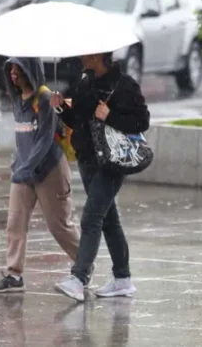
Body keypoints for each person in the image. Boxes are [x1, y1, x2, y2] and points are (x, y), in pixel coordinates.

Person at [50, 53, 150, 302]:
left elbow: (142, 121)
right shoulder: (85, 83)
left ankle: (79, 278)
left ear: (97, 55)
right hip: (88, 160)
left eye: (86, 54)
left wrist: (111, 116)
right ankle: (122, 279)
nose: (81, 57)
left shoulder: (125, 85)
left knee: (92, 218)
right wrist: (60, 106)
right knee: (108, 221)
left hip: (112, 162)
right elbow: (77, 120)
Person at [0, 57, 81, 293]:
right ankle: (13, 274)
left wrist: (26, 168)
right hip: (23, 171)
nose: (13, 74)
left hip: (50, 171)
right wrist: (18, 165)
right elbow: (23, 139)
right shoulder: (17, 101)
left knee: (59, 225)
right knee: (15, 223)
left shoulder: (45, 98)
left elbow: (44, 140)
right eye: (11, 69)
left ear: (30, 70)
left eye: (18, 69)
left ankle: (83, 264)